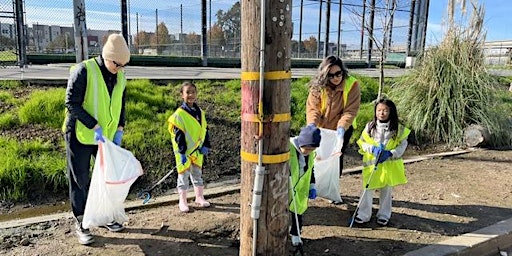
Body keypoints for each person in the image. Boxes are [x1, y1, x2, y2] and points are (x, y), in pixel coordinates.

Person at [63, 33, 130, 245]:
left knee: (106, 177)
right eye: (117, 64)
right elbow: (71, 103)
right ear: (106, 57)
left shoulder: (120, 75)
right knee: (80, 178)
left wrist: (120, 127)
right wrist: (94, 125)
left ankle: (104, 216)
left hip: (106, 136)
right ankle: (81, 220)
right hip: (80, 134)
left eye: (123, 65)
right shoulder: (84, 70)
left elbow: (121, 102)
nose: (119, 68)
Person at [306, 55, 361, 204]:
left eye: (339, 74)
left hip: (342, 129)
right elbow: (313, 109)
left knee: (336, 158)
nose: (336, 78)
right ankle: (315, 186)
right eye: (331, 75)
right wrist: (312, 125)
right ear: (324, 75)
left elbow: (350, 110)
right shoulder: (318, 87)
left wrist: (341, 128)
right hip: (322, 128)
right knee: (317, 157)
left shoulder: (352, 85)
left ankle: (331, 189)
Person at [354, 98, 410, 226]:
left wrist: (391, 153)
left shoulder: (398, 129)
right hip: (371, 165)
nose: (381, 113)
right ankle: (363, 214)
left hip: (389, 166)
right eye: (379, 110)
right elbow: (362, 142)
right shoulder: (370, 126)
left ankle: (384, 215)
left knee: (386, 191)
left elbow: (402, 145)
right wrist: (371, 149)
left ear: (391, 112)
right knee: (367, 189)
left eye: (385, 110)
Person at [168, 81, 211, 213]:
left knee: (197, 174)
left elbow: (204, 129)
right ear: (182, 95)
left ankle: (199, 197)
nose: (191, 95)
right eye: (187, 92)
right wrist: (182, 153)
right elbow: (178, 135)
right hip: (184, 153)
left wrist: (206, 145)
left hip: (197, 151)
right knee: (183, 176)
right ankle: (183, 200)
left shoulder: (200, 113)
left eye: (193, 92)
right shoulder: (179, 115)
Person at [288, 125, 321, 247]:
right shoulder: (289, 148)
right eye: (306, 149)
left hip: (300, 189)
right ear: (301, 142)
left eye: (311, 149)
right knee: (283, 212)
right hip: (287, 187)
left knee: (298, 213)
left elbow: (310, 170)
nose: (308, 152)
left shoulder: (310, 154)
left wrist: (312, 186)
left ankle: (296, 234)